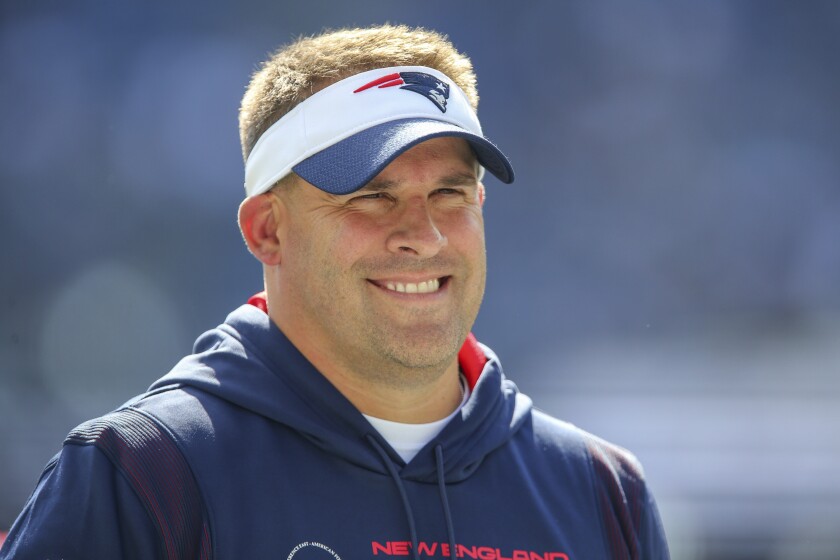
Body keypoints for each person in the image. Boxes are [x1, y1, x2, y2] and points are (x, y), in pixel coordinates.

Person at [0, 24, 670, 560]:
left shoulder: (604, 493)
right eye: (372, 197)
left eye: (450, 193)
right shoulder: (143, 477)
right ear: (268, 230)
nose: (425, 235)